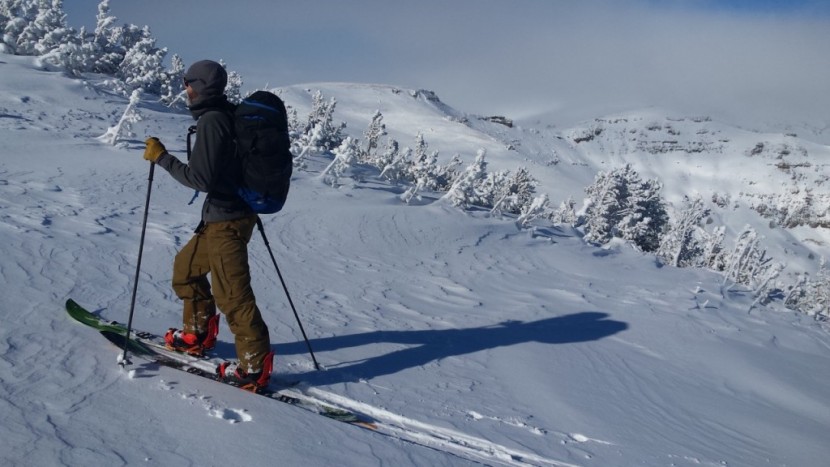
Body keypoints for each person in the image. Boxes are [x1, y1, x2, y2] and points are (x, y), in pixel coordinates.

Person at [142, 59, 273, 391]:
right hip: (221, 216)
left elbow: (198, 177)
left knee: (232, 296)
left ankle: (253, 367)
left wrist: (162, 158)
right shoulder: (222, 115)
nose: (185, 89)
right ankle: (198, 332)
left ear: (200, 86)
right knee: (186, 271)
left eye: (188, 83)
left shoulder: (214, 121)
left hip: (227, 221)